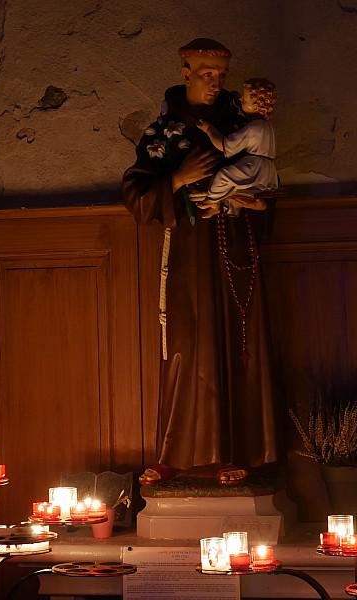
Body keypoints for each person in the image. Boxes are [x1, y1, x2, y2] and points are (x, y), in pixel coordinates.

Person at [121, 39, 278, 486]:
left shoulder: (240, 124)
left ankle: (234, 451)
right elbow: (136, 194)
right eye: (206, 74)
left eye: (221, 76)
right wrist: (177, 178)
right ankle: (175, 453)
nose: (215, 83)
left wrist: (252, 203)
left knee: (236, 344)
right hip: (188, 255)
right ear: (186, 71)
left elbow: (267, 182)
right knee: (186, 347)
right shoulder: (164, 132)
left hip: (233, 248)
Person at [196, 78, 278, 218]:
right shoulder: (267, 126)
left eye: (244, 100)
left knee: (223, 177)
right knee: (239, 189)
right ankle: (229, 207)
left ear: (256, 105)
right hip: (268, 171)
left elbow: (225, 145)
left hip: (253, 167)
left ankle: (212, 201)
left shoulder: (254, 128)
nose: (241, 100)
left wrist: (209, 129)